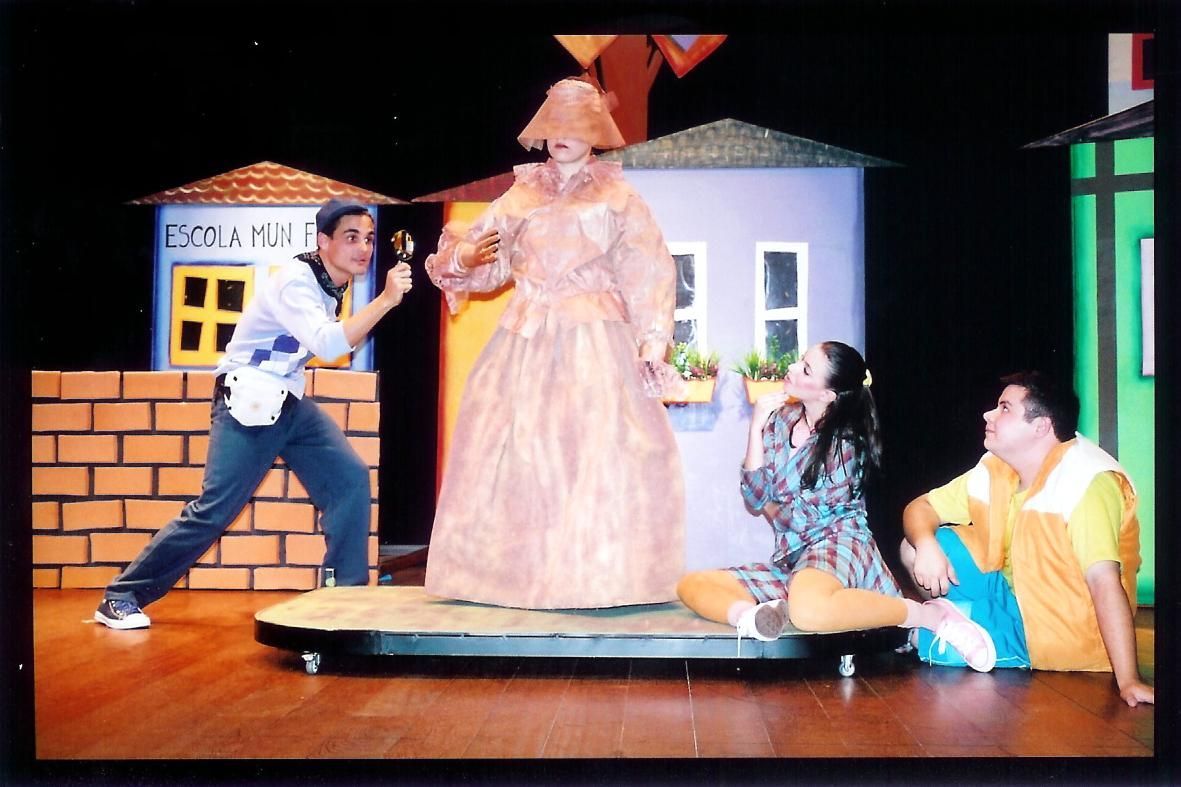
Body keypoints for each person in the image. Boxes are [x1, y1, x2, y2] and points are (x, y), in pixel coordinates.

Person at [423, 77, 685, 609]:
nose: (563, 135)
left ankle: (597, 578)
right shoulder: (520, 196)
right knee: (514, 451)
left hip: (595, 342)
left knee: (594, 451)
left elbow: (648, 270)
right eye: (555, 124)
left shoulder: (618, 198)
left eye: (576, 124)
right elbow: (479, 254)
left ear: (596, 132)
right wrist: (464, 258)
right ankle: (514, 577)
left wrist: (652, 343)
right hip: (525, 338)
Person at [94, 198, 414, 629]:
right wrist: (387, 300)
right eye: (351, 237)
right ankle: (121, 596)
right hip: (248, 400)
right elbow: (330, 346)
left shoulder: (328, 283)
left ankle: (345, 597)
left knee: (349, 479)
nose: (364, 248)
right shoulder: (296, 281)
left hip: (285, 400)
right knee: (214, 510)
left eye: (369, 239)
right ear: (323, 241)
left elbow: (331, 343)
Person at [677, 342, 998, 669]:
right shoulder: (780, 421)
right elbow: (756, 497)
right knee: (693, 584)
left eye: (805, 370)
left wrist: (772, 503)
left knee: (808, 608)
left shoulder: (848, 440)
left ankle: (925, 615)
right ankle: (755, 619)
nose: (792, 368)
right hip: (795, 556)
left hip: (839, 543)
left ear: (827, 394)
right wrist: (756, 427)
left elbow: (799, 514)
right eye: (800, 361)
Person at [900, 371, 1153, 706]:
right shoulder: (999, 467)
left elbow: (1104, 582)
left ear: (1041, 427)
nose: (988, 414)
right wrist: (927, 544)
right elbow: (921, 507)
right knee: (916, 545)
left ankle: (955, 621)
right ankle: (962, 617)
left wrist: (1129, 680)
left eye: (1005, 408)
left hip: (1055, 630)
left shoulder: (1087, 483)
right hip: (1010, 592)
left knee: (925, 641)